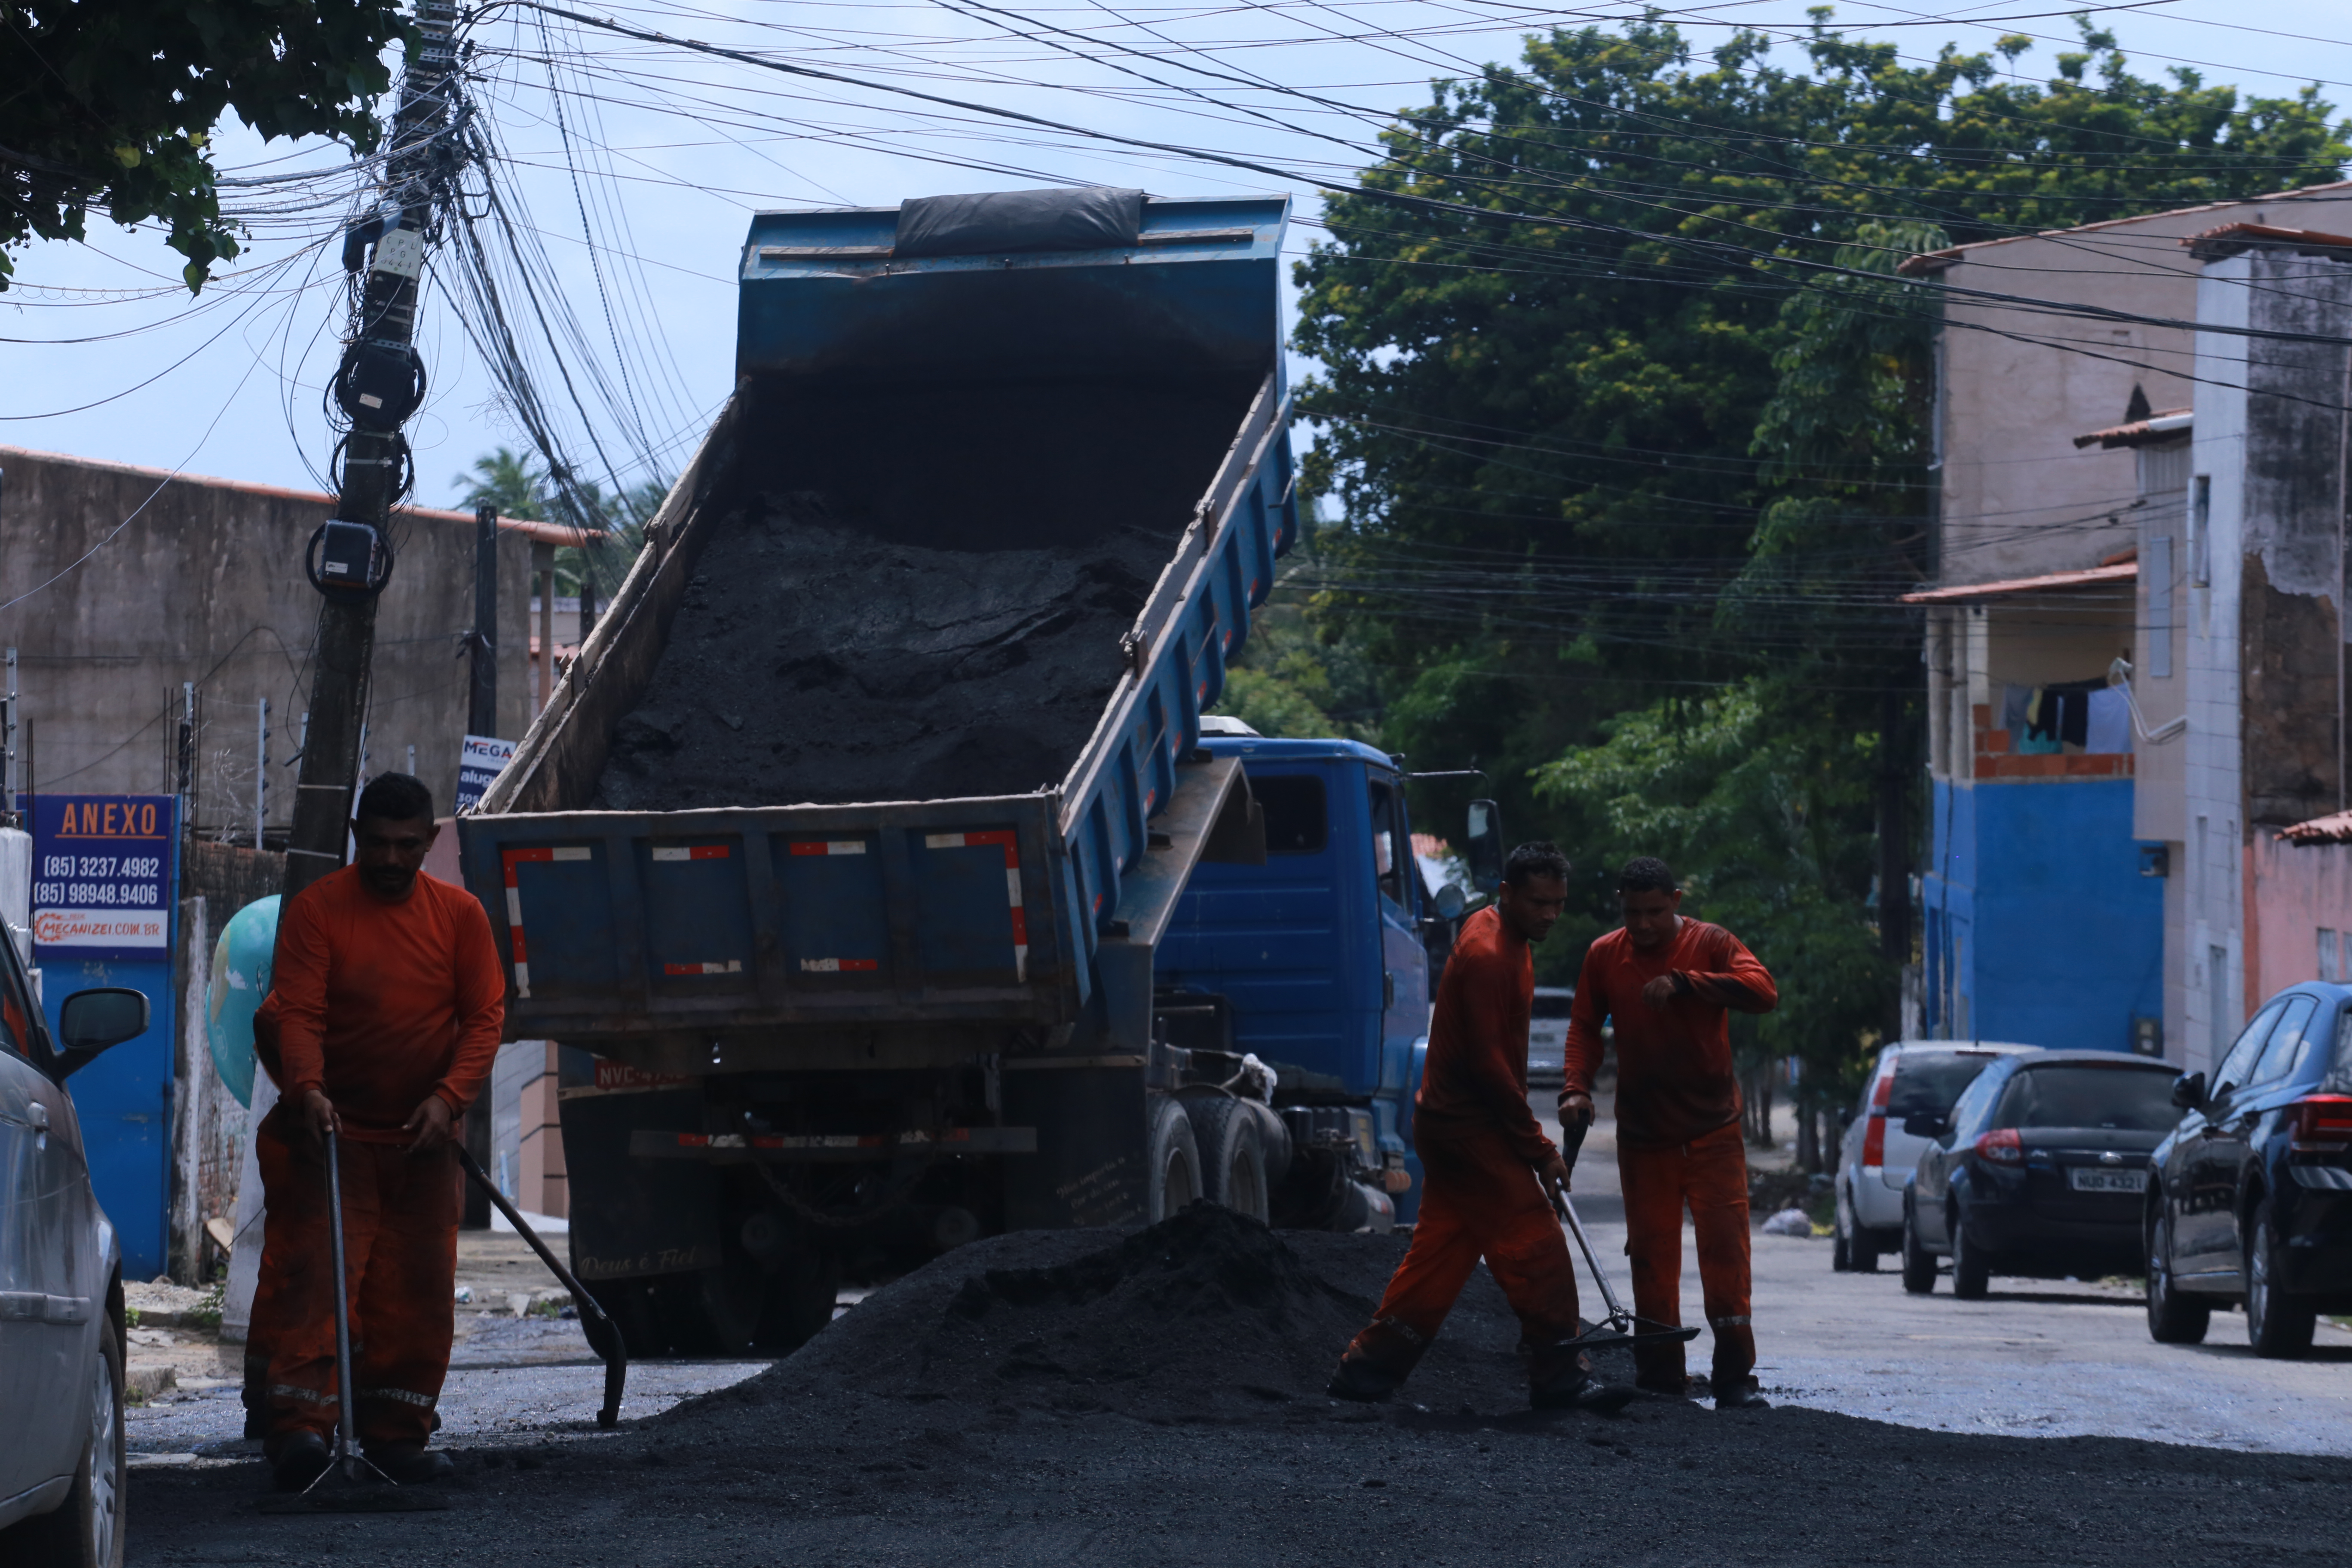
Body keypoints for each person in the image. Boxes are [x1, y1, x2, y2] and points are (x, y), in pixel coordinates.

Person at [248, 772, 505, 1488]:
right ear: (357, 839)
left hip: (421, 1145)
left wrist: (449, 1099)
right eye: (379, 845)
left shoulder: (460, 919)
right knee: (318, 1281)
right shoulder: (320, 912)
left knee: (416, 1291)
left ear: (429, 842)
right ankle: (300, 1431)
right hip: (334, 1139)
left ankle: (397, 1434)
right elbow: (297, 1011)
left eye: (408, 846)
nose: (392, 860)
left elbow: (485, 1018)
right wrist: (307, 1091)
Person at [1328, 842, 1629, 1412]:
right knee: (1536, 1242)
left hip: (1452, 1126)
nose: (1551, 915)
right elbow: (1490, 1068)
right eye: (1540, 903)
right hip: (1468, 1131)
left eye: (1559, 904)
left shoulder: (1502, 931)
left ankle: (1367, 1371)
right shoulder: (1490, 953)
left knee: (1441, 1252)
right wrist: (1539, 1150)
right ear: (1508, 894)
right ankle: (1558, 1372)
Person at [1560, 856, 1778, 1411]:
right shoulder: (1605, 955)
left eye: (1655, 912)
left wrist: (1687, 984)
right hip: (1644, 1137)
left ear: (1676, 901)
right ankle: (1660, 1382)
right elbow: (1585, 1026)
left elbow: (1762, 991)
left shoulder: (1711, 943)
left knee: (1726, 1256)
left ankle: (1733, 1379)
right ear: (1620, 906)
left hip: (1713, 1131)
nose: (1644, 925)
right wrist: (1575, 1089)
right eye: (1633, 913)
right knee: (1652, 1261)